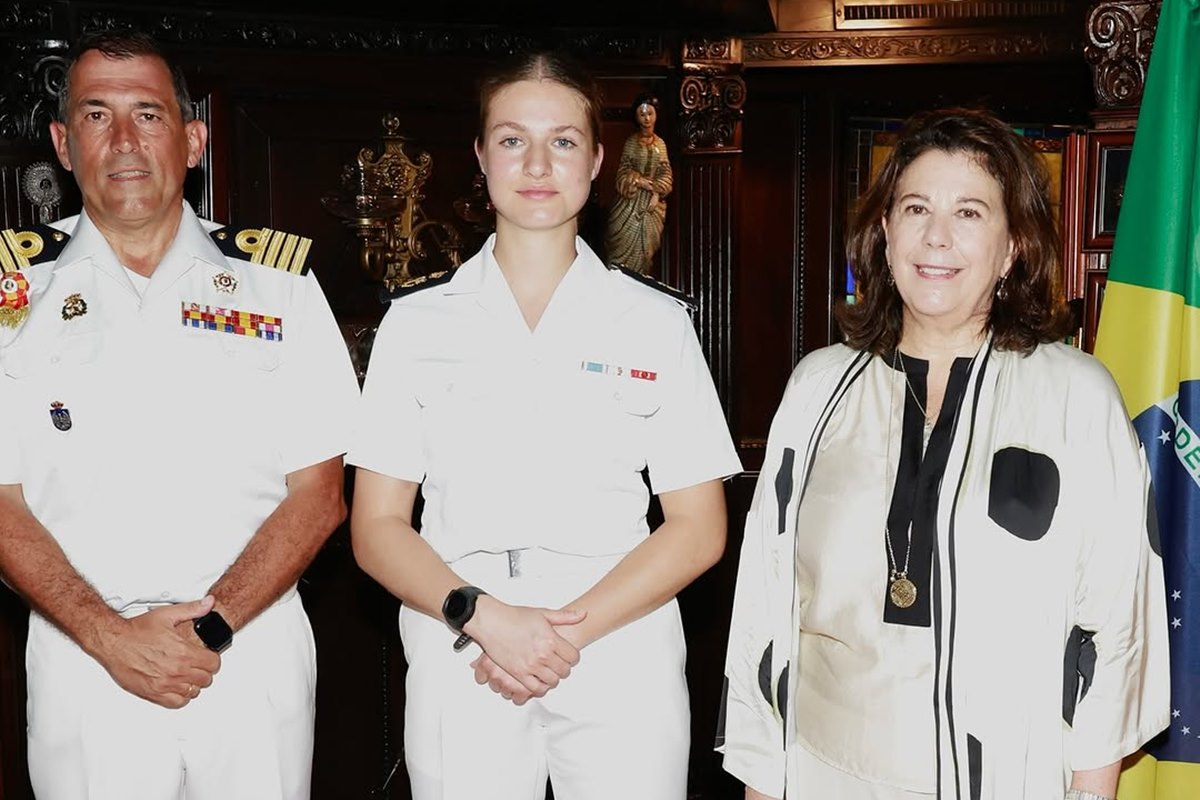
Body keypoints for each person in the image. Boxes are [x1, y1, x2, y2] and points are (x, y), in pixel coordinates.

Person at [718, 108, 1169, 800]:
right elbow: (765, 603)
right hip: (824, 773)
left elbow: (1119, 625)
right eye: (916, 207)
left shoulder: (1076, 396)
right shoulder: (817, 388)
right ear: (885, 231)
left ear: (1012, 247)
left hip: (1009, 776)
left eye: (969, 212)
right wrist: (762, 784)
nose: (937, 236)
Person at [348, 50, 741, 800]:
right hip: (460, 637)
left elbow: (698, 526)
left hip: (619, 640)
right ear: (480, 156)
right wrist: (487, 618)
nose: (536, 162)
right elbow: (377, 526)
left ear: (596, 160)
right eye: (511, 139)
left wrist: (561, 635)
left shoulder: (656, 322)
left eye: (562, 140)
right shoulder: (415, 322)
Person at [0, 29, 359, 799]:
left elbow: (320, 494)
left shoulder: (280, 286)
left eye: (149, 115)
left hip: (247, 649)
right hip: (85, 659)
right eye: (97, 116)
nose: (124, 140)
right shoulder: (8, 293)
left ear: (193, 138)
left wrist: (213, 626)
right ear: (64, 144)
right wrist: (109, 637)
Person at [604, 92, 673, 274]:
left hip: (651, 208)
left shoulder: (661, 144)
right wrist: (639, 181)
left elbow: (665, 172)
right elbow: (623, 172)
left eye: (650, 113)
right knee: (621, 251)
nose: (646, 118)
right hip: (630, 203)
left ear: (656, 114)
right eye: (642, 114)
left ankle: (642, 279)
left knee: (646, 253)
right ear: (636, 116)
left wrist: (657, 191)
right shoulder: (631, 143)